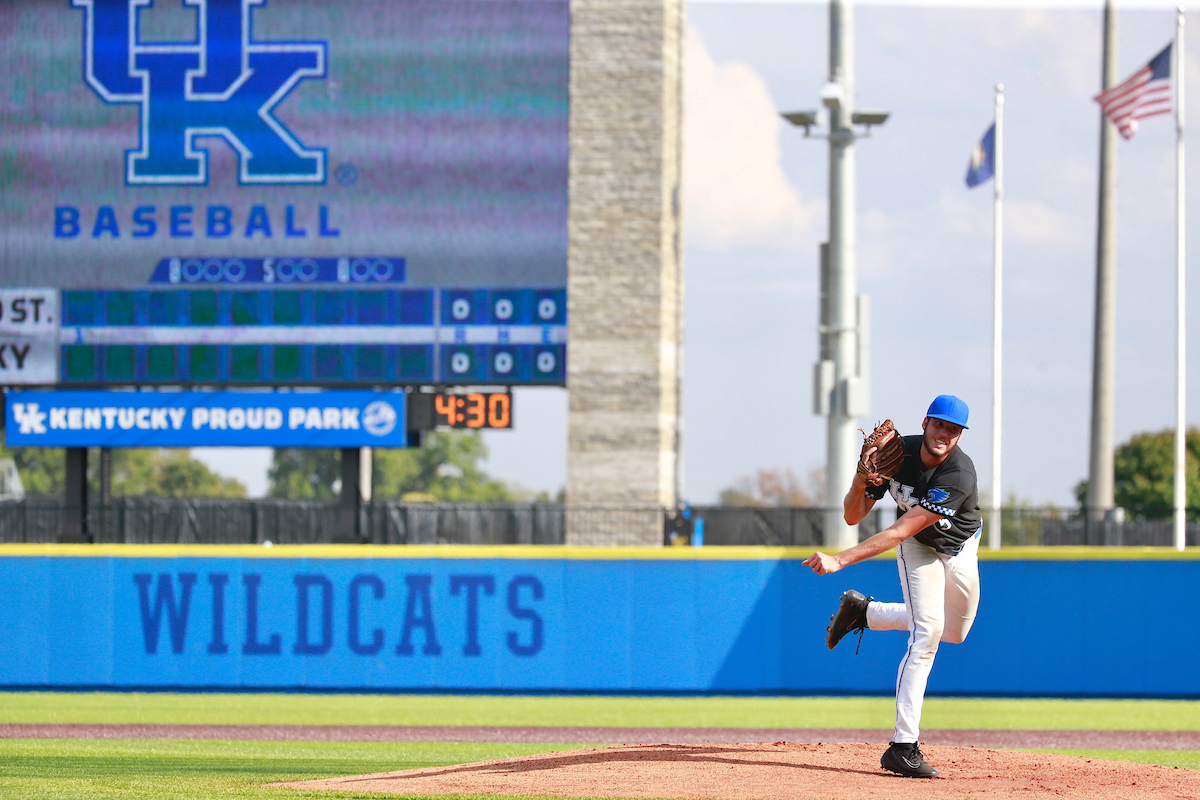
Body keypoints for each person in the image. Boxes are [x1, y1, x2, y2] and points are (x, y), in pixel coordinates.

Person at [801, 395, 982, 779]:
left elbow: (902, 526)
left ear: (960, 436)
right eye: (939, 425)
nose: (944, 435)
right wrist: (862, 476)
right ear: (926, 422)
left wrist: (840, 559)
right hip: (917, 549)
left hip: (960, 546)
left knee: (955, 631)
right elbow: (853, 515)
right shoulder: (898, 455)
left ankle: (864, 612)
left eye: (954, 430)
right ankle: (903, 746)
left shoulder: (958, 474)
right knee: (927, 632)